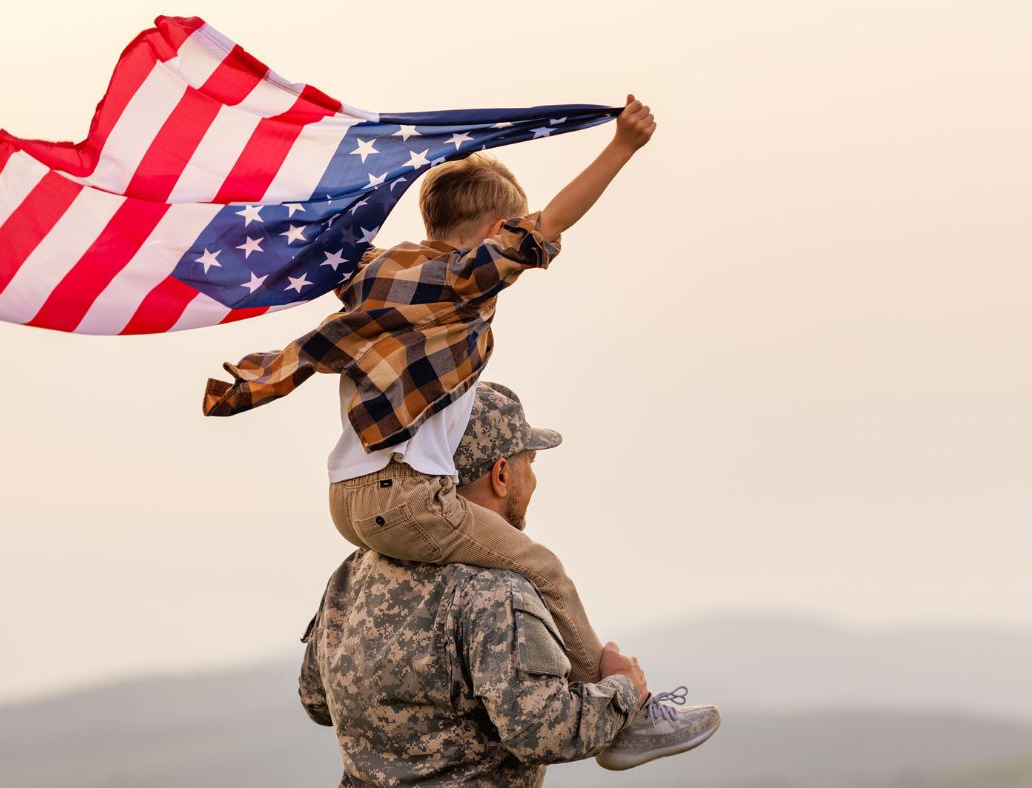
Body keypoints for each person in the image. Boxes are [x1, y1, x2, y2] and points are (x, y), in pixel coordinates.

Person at [210, 96, 657, 683]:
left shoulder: (379, 269)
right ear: (498, 232)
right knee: (543, 569)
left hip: (346, 498)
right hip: (407, 496)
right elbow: (550, 224)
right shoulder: (462, 278)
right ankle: (620, 701)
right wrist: (622, 146)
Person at [299, 382, 720, 785]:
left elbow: (316, 700)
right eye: (529, 465)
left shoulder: (353, 573)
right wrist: (625, 691)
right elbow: (542, 730)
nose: (533, 481)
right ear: (501, 475)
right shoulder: (496, 591)